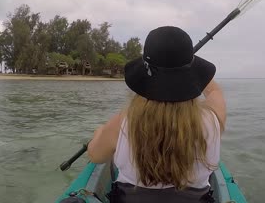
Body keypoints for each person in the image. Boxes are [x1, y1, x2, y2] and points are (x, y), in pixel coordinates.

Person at [87, 26, 226, 203]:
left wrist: (100, 132)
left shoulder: (123, 123)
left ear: (144, 75)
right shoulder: (213, 121)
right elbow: (214, 91)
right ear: (192, 75)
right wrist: (187, 69)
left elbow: (95, 155)